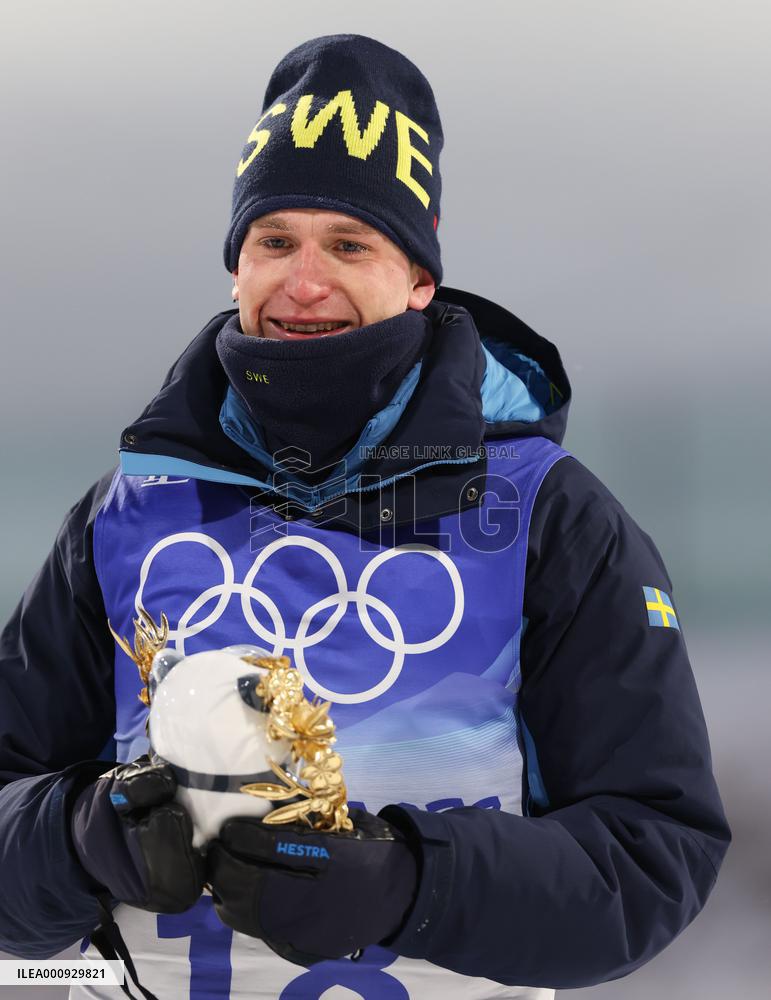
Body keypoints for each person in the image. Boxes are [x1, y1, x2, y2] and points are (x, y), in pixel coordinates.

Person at [0, 33, 730, 1000]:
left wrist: (409, 885)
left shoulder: (547, 515)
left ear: (419, 277)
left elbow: (651, 856)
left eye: (349, 244)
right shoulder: (124, 515)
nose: (304, 283)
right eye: (274, 242)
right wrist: (75, 836)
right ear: (235, 268)